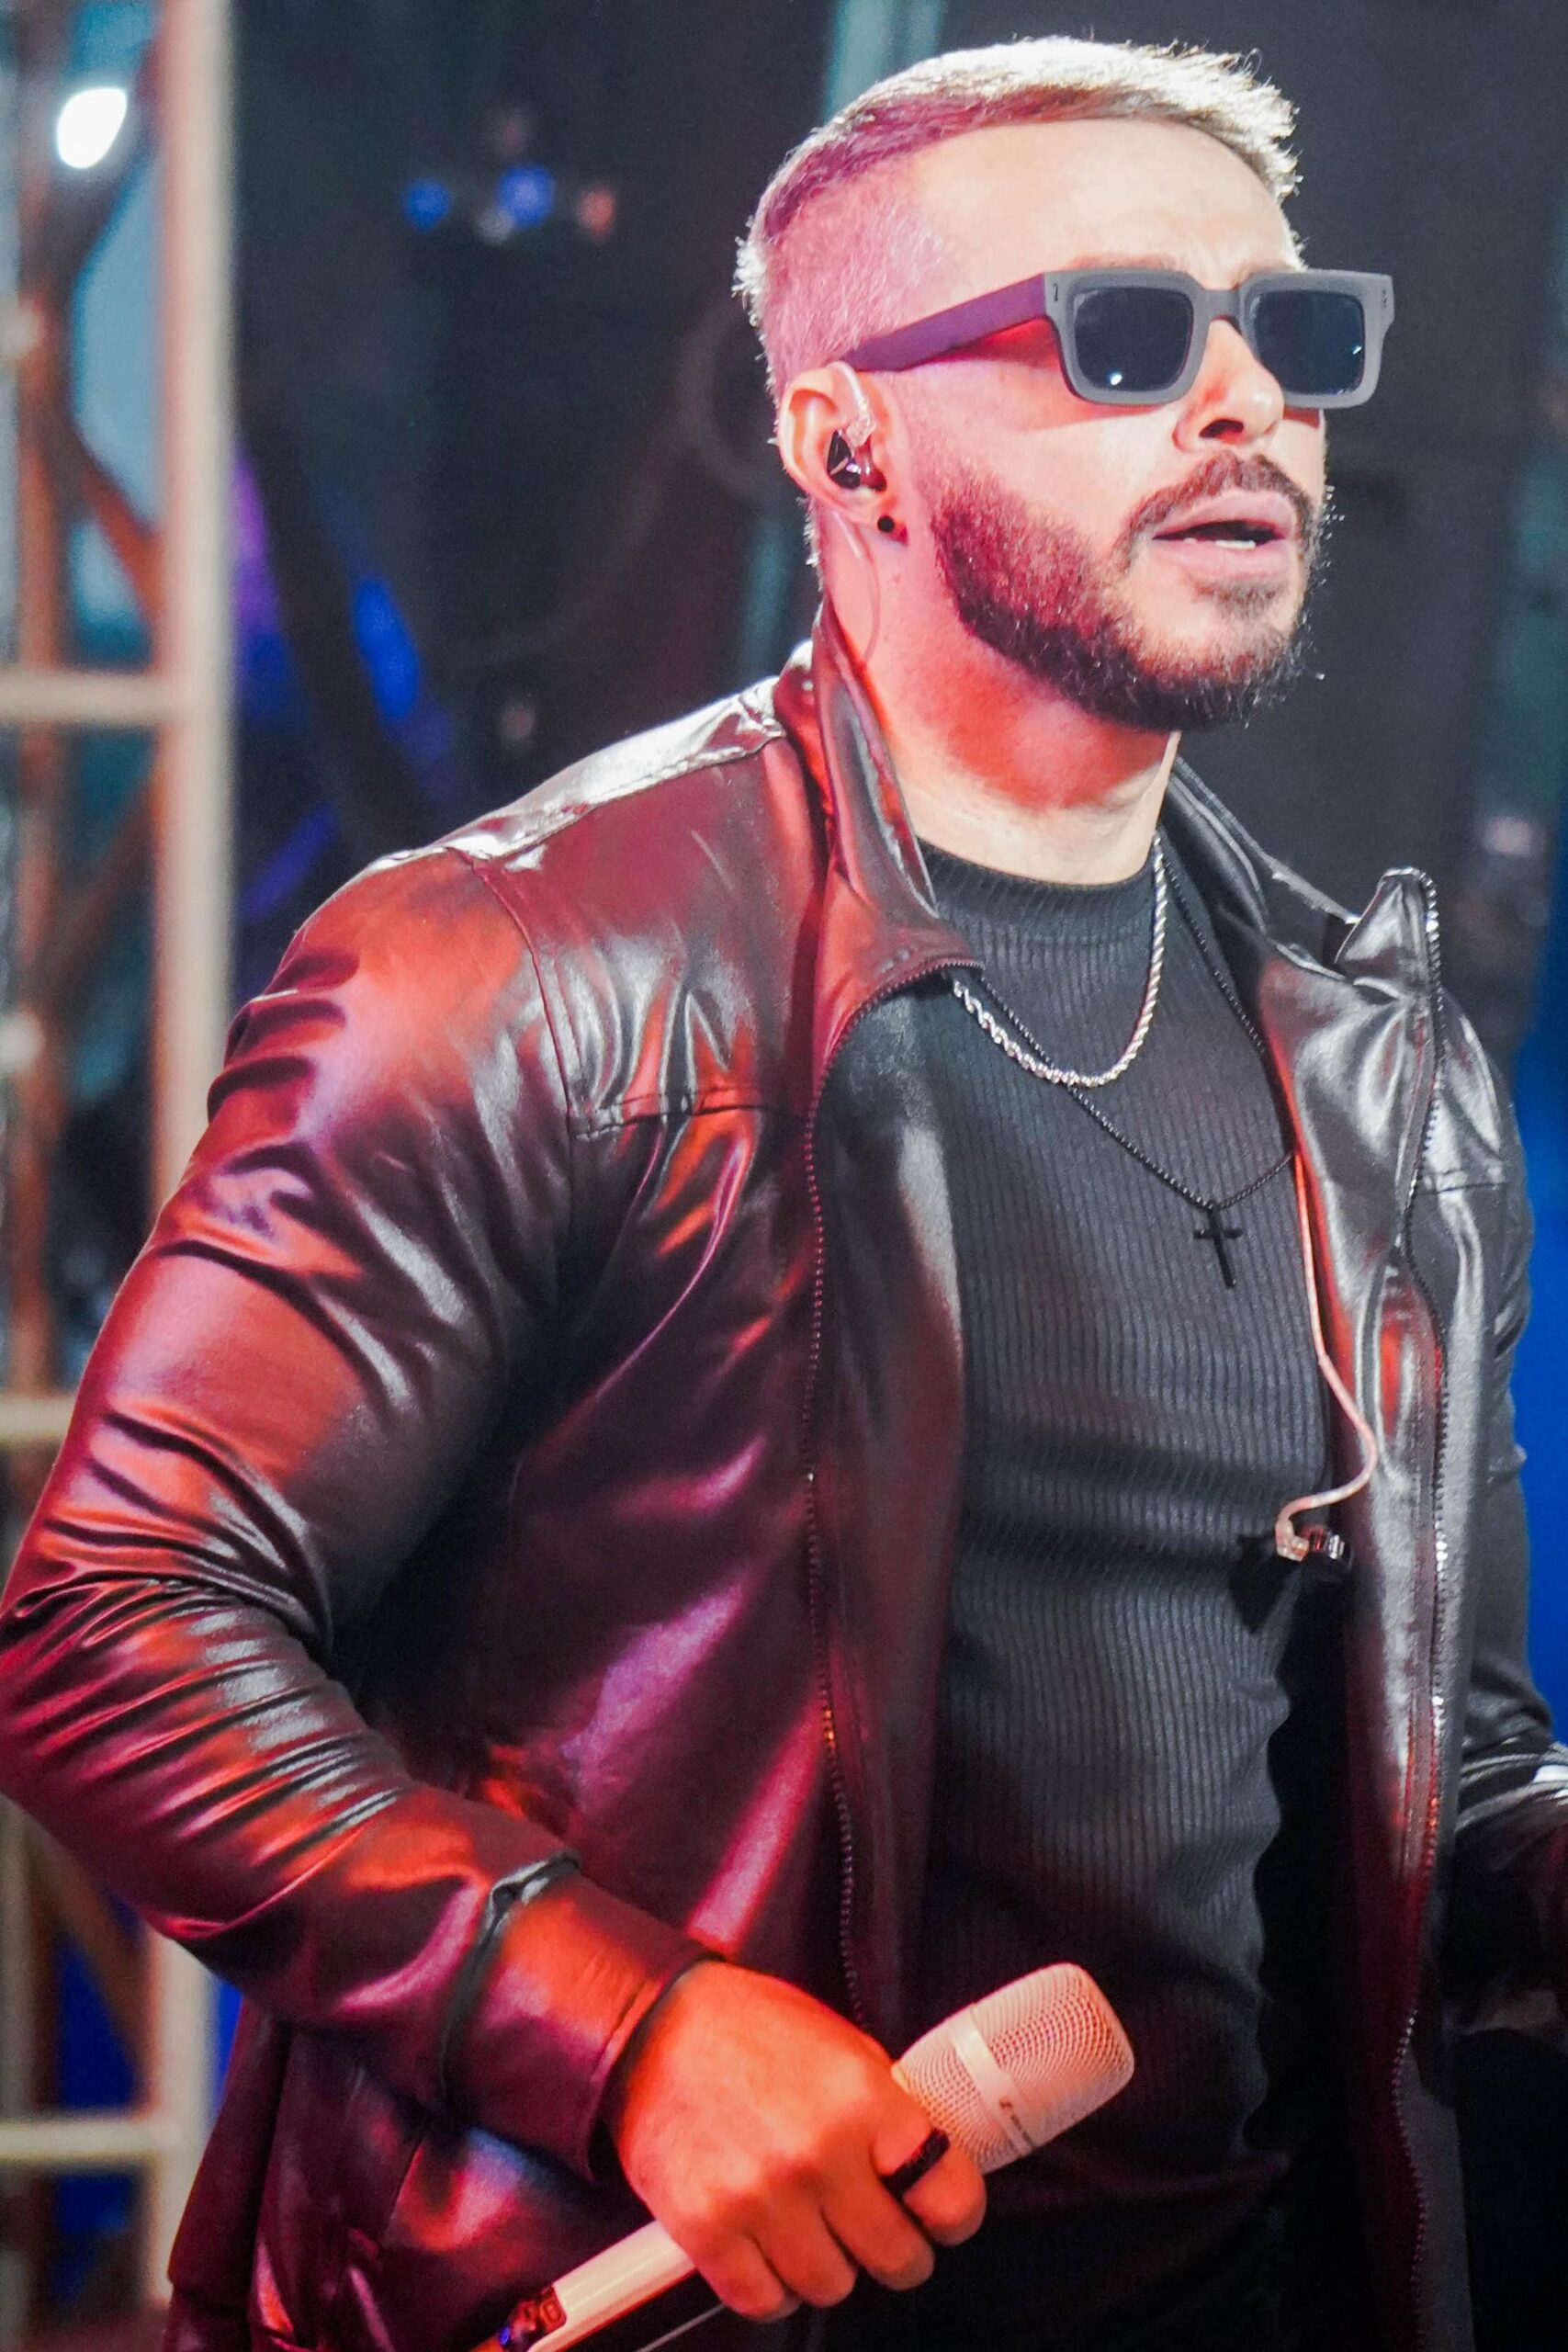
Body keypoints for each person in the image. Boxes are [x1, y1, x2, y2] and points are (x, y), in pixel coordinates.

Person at [0, 34, 1560, 2352]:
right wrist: (624, 2028)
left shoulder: (1375, 1062)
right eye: (1127, 332)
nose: (1246, 402)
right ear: (845, 444)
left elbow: (1447, 1760)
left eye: (1293, 332)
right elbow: (112, 1630)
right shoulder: (516, 970)